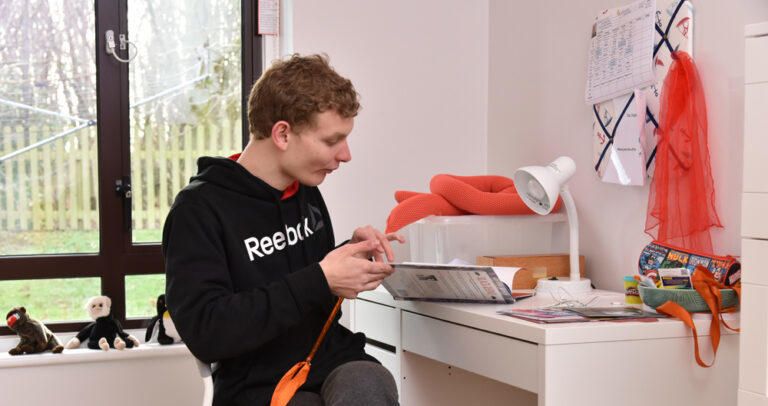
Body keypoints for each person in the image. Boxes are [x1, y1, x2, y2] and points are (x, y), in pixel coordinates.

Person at [162, 53, 404, 406]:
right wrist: (322, 278)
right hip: (255, 382)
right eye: (331, 141)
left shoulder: (305, 192)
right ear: (282, 134)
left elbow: (308, 289)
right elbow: (207, 333)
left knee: (370, 381)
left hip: (327, 357)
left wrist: (345, 256)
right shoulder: (198, 211)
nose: (346, 155)